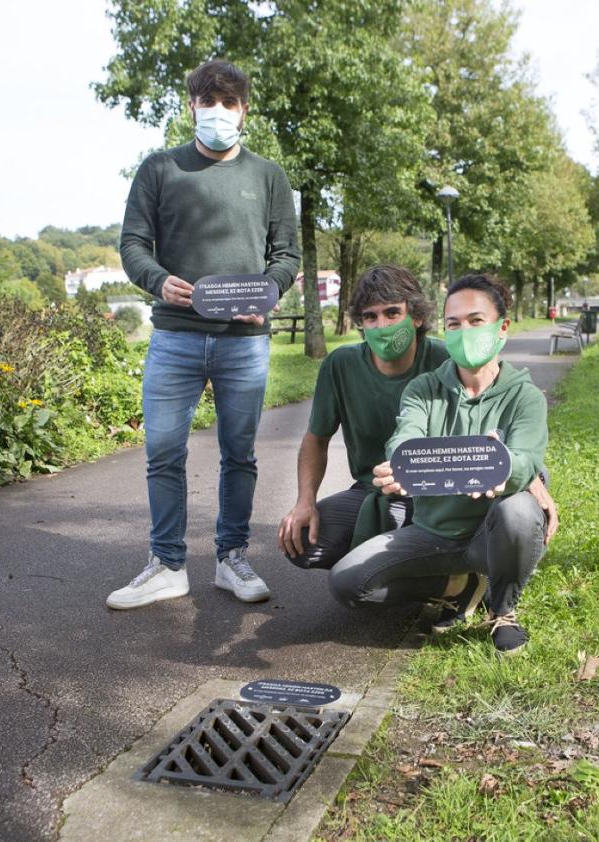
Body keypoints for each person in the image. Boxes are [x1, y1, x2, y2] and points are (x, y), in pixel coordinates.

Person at [107, 59, 300, 609]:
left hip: (244, 343)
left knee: (239, 454)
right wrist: (157, 280)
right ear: (191, 106)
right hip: (175, 337)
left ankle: (231, 558)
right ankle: (167, 564)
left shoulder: (269, 177)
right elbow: (132, 244)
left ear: (244, 110)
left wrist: (268, 291)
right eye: (208, 101)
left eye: (229, 102)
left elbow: (286, 254)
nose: (218, 111)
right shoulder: (160, 169)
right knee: (163, 453)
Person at [277, 265, 557, 572]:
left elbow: (492, 409)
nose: (382, 326)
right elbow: (316, 439)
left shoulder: (447, 358)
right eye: (370, 317)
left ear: (417, 316)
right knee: (302, 541)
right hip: (378, 488)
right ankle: (442, 578)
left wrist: (526, 476)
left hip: (445, 492)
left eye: (392, 313)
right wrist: (305, 501)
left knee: (480, 520)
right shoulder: (340, 365)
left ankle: (448, 563)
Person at [328, 274, 549, 655]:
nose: (465, 332)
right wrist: (401, 466)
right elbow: (405, 437)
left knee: (519, 512)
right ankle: (459, 586)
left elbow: (527, 460)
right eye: (454, 324)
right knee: (346, 583)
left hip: (489, 536)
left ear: (502, 327)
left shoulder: (525, 397)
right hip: (431, 534)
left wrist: (499, 467)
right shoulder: (423, 388)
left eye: (476, 321)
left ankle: (502, 610)